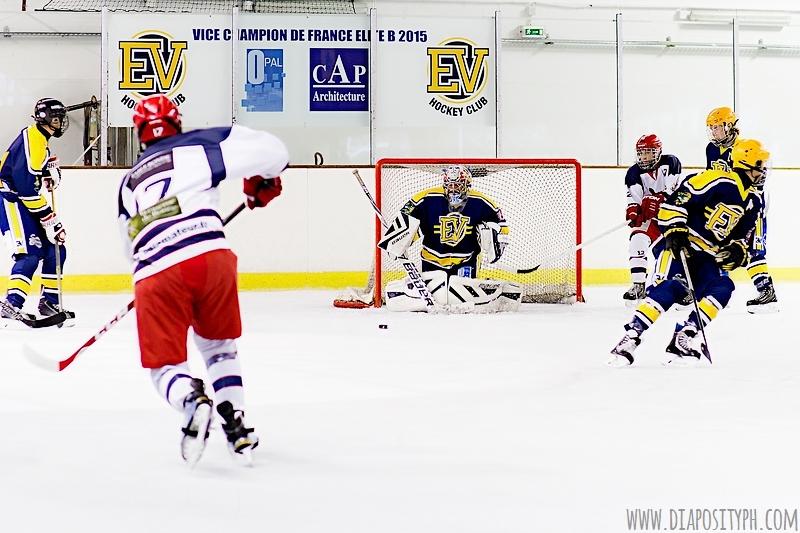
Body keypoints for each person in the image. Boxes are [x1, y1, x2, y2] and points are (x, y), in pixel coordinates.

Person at [118, 94, 288, 465]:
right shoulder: (205, 142)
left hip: (155, 268)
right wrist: (263, 179)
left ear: (139, 135)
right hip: (211, 256)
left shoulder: (128, 182)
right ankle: (236, 420)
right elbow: (276, 151)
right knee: (218, 347)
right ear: (177, 122)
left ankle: (191, 399)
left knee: (164, 367)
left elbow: (128, 246)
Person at [608, 139, 769, 367]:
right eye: (759, 166)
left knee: (724, 288)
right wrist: (674, 230)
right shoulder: (716, 180)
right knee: (673, 288)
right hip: (684, 246)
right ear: (745, 164)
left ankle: (685, 335)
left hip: (709, 256)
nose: (762, 171)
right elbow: (678, 200)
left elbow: (743, 236)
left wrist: (737, 251)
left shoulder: (754, 200)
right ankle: (630, 337)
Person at [377, 165, 521, 312]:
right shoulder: (427, 198)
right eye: (449, 185)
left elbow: (501, 224)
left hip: (465, 261)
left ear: (467, 185)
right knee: (436, 296)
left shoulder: (480, 201)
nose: (453, 189)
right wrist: (396, 240)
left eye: (458, 185)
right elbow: (406, 216)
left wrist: (497, 243)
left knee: (461, 299)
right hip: (431, 259)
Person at [0, 98, 73, 328]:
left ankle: (49, 303)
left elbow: (33, 176)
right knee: (29, 254)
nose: (61, 122)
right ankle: (12, 305)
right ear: (48, 119)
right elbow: (25, 189)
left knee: (55, 249)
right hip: (10, 200)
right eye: (58, 117)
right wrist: (50, 219)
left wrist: (48, 172)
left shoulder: (39, 139)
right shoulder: (33, 138)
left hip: (21, 200)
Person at [705, 106, 777, 313]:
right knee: (716, 244)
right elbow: (713, 177)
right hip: (726, 208)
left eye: (717, 127)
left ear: (729, 126)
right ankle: (717, 289)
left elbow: (760, 176)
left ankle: (767, 292)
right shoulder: (711, 149)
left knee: (753, 248)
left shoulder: (746, 148)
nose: (714, 132)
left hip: (749, 206)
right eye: (711, 128)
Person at [622, 134, 682, 305]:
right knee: (637, 239)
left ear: (657, 152)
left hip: (672, 217)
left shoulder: (671, 163)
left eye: (648, 152)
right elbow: (634, 199)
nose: (643, 157)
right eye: (640, 153)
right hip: (651, 218)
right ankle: (638, 285)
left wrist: (658, 200)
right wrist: (633, 211)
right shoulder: (633, 173)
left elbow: (672, 194)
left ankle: (681, 287)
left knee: (673, 253)